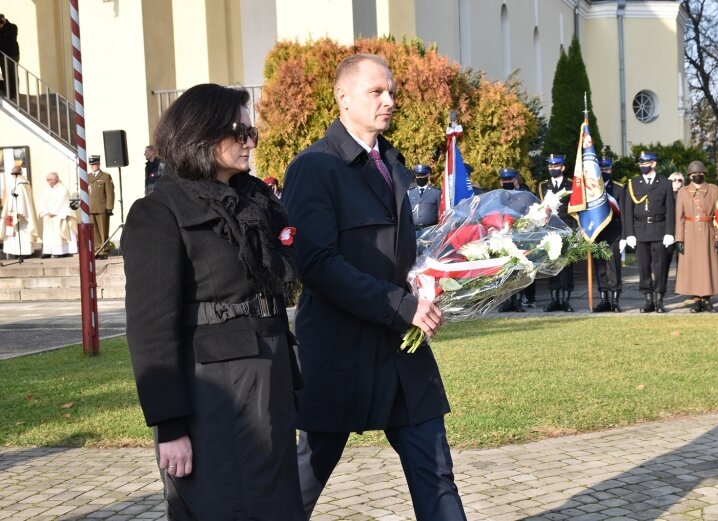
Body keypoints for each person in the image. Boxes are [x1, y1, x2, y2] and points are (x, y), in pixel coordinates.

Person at [283, 53, 467, 521]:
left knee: (436, 472)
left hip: (401, 354)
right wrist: (402, 305)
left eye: (391, 92)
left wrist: (436, 277)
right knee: (306, 474)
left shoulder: (391, 161)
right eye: (376, 92)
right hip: (339, 351)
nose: (389, 101)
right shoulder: (314, 167)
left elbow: (398, 252)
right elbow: (317, 264)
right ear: (343, 98)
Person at [121, 83, 304, 520]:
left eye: (250, 130)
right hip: (215, 393)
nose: (248, 141)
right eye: (238, 131)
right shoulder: (160, 212)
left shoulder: (255, 199)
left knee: (277, 506)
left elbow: (286, 275)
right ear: (201, 134)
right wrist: (170, 425)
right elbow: (150, 329)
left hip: (270, 374)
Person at [622, 151, 675, 313]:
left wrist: (669, 232)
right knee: (644, 267)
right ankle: (648, 299)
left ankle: (659, 298)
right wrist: (629, 234)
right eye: (640, 163)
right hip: (640, 231)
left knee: (660, 267)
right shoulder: (633, 183)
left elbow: (670, 210)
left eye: (646, 163)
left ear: (654, 164)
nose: (642, 166)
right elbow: (627, 211)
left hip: (659, 230)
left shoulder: (665, 183)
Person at [674, 161, 718, 312]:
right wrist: (679, 239)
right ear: (689, 176)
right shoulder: (683, 192)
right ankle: (696, 300)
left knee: (708, 267)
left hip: (708, 233)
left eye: (700, 173)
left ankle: (707, 300)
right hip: (689, 234)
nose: (697, 175)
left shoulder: (714, 190)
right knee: (693, 267)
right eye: (694, 173)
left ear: (704, 174)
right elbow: (679, 218)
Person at [539, 154, 576, 312]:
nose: (552, 169)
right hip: (550, 229)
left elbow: (576, 210)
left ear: (562, 168)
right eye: (550, 166)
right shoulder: (543, 186)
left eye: (555, 166)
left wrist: (576, 231)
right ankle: (554, 299)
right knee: (552, 263)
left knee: (567, 265)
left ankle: (566, 300)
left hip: (567, 227)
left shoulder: (571, 185)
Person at [496, 167, 535, 311]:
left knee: (519, 271)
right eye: (504, 180)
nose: (507, 182)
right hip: (503, 239)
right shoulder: (498, 197)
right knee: (506, 271)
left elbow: (531, 217)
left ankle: (518, 300)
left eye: (509, 179)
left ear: (516, 180)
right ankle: (507, 301)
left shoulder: (525, 195)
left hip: (520, 238)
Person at [592, 157, 624, 312]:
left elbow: (623, 214)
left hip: (614, 234)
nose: (605, 172)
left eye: (607, 169)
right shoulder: (591, 191)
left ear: (611, 170)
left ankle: (615, 300)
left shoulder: (618, 189)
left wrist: (624, 236)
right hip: (597, 234)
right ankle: (604, 299)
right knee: (600, 268)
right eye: (602, 170)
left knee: (614, 268)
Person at [38, 172, 78, 258]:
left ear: (55, 179)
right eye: (47, 179)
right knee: (48, 235)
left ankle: (62, 252)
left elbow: (62, 202)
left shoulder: (62, 189)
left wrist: (53, 212)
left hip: (58, 215)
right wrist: (45, 212)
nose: (48, 181)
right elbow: (42, 201)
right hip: (48, 215)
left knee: (59, 235)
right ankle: (48, 251)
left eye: (49, 179)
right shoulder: (46, 189)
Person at [0, 166, 37, 257]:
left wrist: (19, 212)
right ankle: (16, 252)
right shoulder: (16, 183)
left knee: (22, 233)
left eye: (14, 174)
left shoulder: (21, 184)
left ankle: (24, 252)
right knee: (13, 233)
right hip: (12, 212)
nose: (13, 176)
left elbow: (22, 200)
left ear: (16, 174)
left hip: (20, 214)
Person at [87, 155, 114, 258]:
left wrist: (109, 207)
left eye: (95, 164)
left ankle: (104, 250)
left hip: (102, 208)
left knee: (103, 230)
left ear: (99, 164)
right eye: (91, 164)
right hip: (91, 208)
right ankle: (97, 249)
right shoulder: (88, 177)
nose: (93, 166)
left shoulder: (105, 176)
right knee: (94, 231)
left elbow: (110, 193)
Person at [407, 164, 441, 229]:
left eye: (422, 175)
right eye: (417, 175)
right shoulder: (409, 192)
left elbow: (441, 212)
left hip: (431, 230)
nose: (420, 178)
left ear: (428, 176)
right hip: (413, 230)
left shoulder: (436, 193)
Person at [0, 14, 19, 99]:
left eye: (1, 21)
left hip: (12, 55)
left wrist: (3, 26)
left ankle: (14, 93)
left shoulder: (12, 27)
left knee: (13, 74)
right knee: (5, 74)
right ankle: (8, 92)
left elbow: (11, 37)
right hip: (2, 55)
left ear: (4, 19)